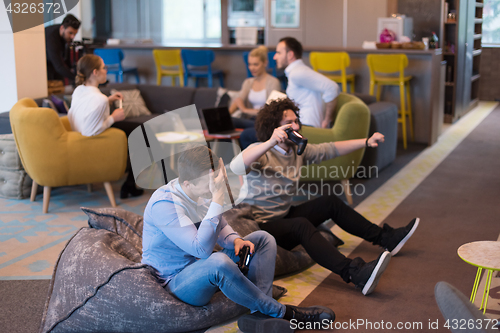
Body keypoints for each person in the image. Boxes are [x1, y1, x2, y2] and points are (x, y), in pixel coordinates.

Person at [230, 98, 420, 296]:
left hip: (284, 214)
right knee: (301, 225)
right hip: (263, 224)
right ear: (275, 128)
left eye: (296, 121)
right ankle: (355, 274)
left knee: (330, 202)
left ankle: (386, 238)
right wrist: (270, 142)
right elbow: (236, 166)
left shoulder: (297, 151)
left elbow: (331, 149)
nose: (296, 126)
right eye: (289, 123)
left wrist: (366, 142)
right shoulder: (262, 151)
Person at [141, 145, 335, 333]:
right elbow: (200, 249)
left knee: (262, 239)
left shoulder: (199, 189)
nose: (214, 187)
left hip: (198, 266)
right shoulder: (164, 205)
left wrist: (236, 240)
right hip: (175, 282)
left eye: (216, 179)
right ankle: (283, 312)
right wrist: (217, 198)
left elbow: (222, 226)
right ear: (187, 184)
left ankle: (259, 316)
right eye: (209, 184)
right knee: (219, 262)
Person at [68, 54, 144, 199]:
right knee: (141, 137)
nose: (106, 70)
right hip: (93, 142)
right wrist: (112, 118)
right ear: (95, 72)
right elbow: (90, 131)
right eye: (104, 68)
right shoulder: (99, 99)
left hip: (76, 138)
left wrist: (108, 101)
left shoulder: (79, 90)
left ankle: (130, 183)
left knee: (140, 131)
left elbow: (88, 113)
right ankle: (130, 183)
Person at [274, 37, 340, 128]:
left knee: (249, 134)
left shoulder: (298, 73)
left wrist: (327, 120)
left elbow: (332, 87)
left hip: (307, 125)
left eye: (278, 53)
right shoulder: (297, 72)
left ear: (290, 55)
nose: (274, 57)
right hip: (300, 123)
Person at [230, 46, 282, 149]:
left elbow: (270, 111)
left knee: (245, 133)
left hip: (265, 122)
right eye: (249, 64)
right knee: (228, 123)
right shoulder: (248, 82)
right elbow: (238, 100)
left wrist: (245, 110)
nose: (252, 68)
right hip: (251, 120)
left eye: (256, 64)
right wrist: (226, 115)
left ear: (265, 63)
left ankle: (245, 162)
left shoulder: (273, 82)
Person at [45, 14, 81, 83]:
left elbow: (65, 60)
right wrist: (77, 78)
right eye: (70, 33)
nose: (72, 37)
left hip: (52, 63)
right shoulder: (52, 38)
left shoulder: (64, 36)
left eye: (75, 34)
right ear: (62, 28)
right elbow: (59, 66)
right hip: (43, 64)